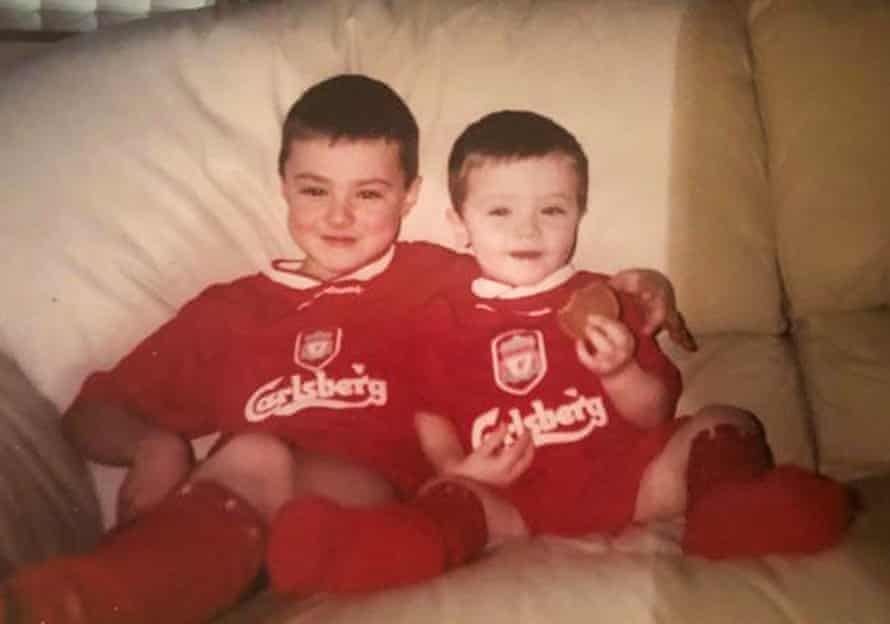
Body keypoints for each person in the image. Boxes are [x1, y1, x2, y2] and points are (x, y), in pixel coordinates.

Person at [0, 78, 684, 624]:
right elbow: (91, 414)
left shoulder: (438, 277)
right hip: (226, 516)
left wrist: (642, 290)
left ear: (411, 197)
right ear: (283, 188)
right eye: (314, 191)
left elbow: (543, 283)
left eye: (369, 194)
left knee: (257, 457)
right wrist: (156, 445)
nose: (338, 217)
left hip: (378, 504)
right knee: (250, 463)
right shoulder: (229, 310)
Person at [265, 110, 853, 597]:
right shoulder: (440, 318)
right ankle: (373, 551)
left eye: (552, 210)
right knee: (451, 501)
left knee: (727, 421)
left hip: (632, 482)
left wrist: (620, 370)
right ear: (459, 221)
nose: (529, 231)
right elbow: (429, 414)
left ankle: (731, 515)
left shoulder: (602, 298)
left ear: (579, 214)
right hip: (510, 496)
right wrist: (457, 468)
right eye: (500, 211)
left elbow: (653, 413)